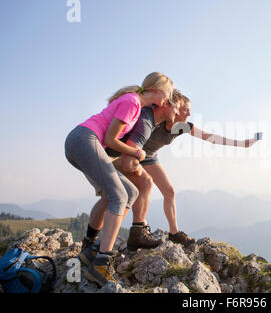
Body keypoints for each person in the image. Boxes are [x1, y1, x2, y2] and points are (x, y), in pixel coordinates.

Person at [80, 90, 259, 254]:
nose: (189, 114)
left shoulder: (183, 126)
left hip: (148, 157)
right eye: (186, 109)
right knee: (114, 197)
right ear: (176, 108)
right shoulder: (156, 119)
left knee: (169, 191)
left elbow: (209, 138)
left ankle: (173, 233)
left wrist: (242, 143)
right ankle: (97, 239)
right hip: (128, 154)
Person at [64, 72, 173, 286]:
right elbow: (110, 139)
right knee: (119, 195)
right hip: (84, 140)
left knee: (131, 192)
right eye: (167, 95)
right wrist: (136, 153)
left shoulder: (135, 102)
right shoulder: (132, 101)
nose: (167, 100)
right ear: (156, 90)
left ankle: (91, 251)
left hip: (84, 143)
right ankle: (101, 264)